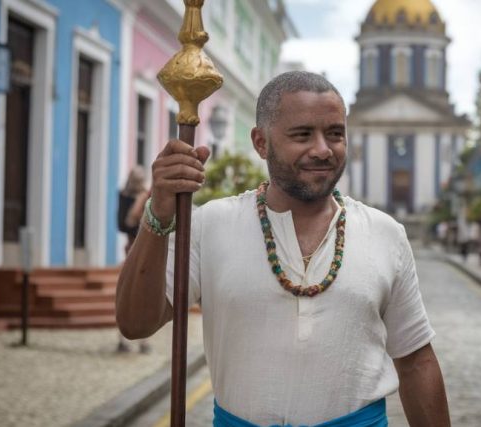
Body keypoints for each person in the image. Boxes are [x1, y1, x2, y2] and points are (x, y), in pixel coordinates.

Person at [115, 71, 450, 426]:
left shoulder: (386, 234)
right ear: (261, 142)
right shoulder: (210, 225)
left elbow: (416, 362)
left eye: (335, 134)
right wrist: (160, 213)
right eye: (302, 134)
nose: (323, 149)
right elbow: (135, 323)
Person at [116, 166, 151, 354]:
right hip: (134, 248)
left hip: (139, 248)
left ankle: (141, 340)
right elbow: (126, 224)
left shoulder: (145, 197)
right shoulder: (130, 198)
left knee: (139, 292)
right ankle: (126, 339)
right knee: (131, 292)